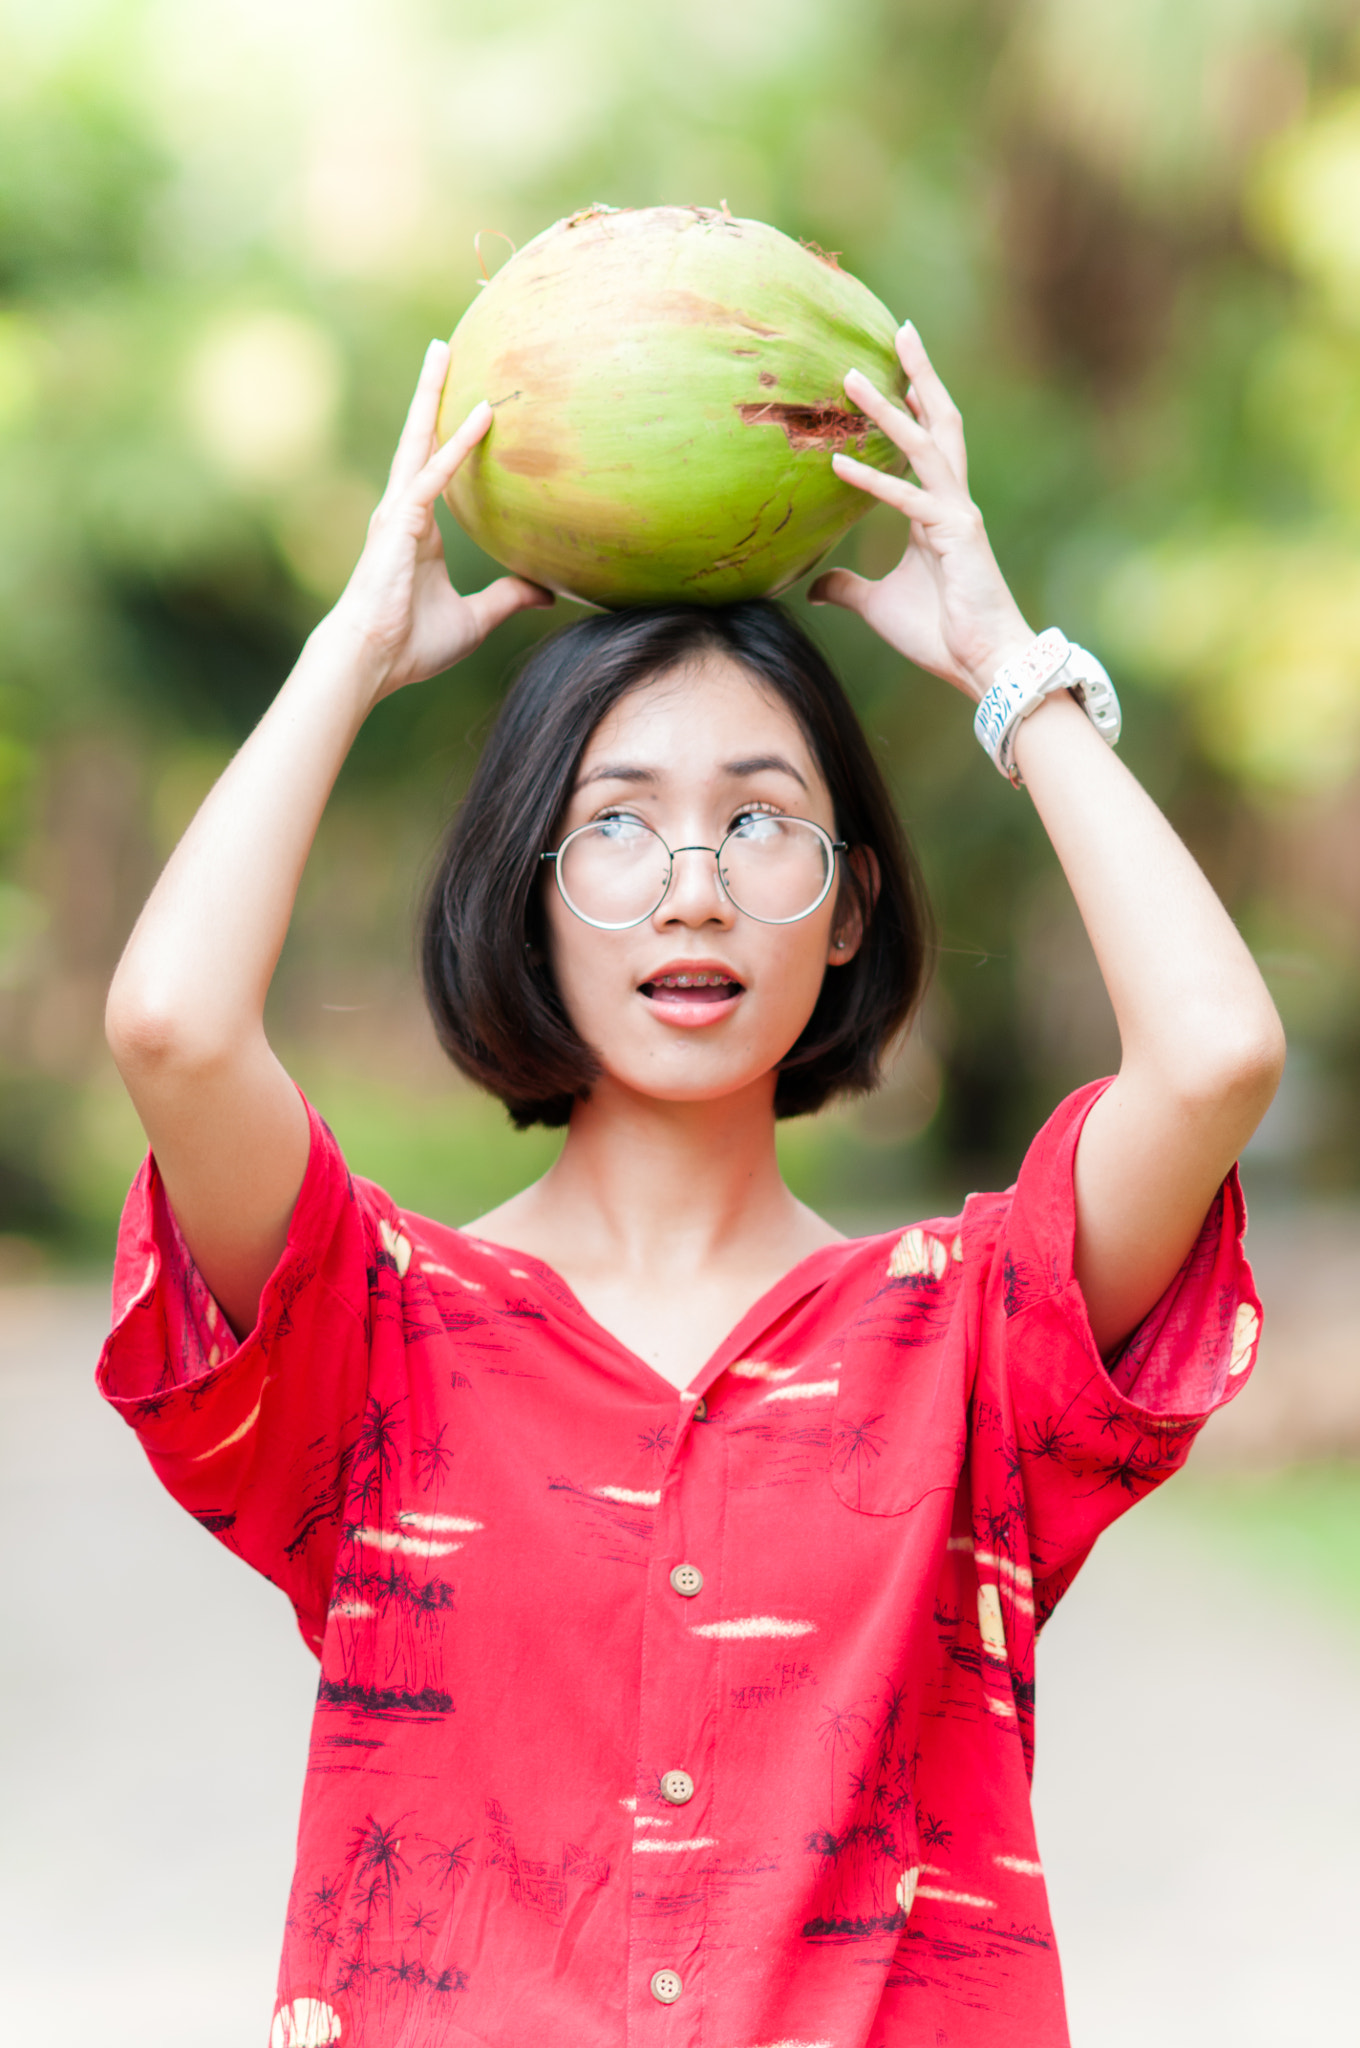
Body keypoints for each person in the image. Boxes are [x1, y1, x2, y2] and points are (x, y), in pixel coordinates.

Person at [99, 326, 1283, 2048]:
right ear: (528, 894)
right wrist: (355, 650)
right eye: (621, 827)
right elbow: (173, 1028)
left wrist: (1006, 668)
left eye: (764, 823)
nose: (697, 891)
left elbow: (1213, 1057)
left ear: (851, 908)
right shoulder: (381, 1337)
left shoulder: (972, 1344)